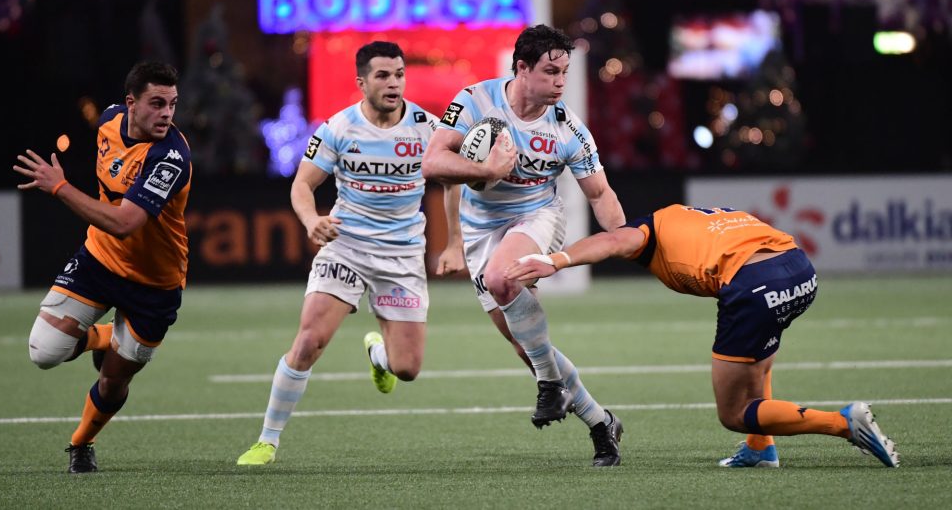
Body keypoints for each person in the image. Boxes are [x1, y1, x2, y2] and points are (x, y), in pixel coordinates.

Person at [507, 204, 900, 468]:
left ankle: (844, 423)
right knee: (757, 356)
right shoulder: (691, 215)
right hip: (800, 270)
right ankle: (760, 447)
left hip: (755, 286)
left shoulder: (649, 231)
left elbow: (612, 241)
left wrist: (556, 259)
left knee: (733, 412)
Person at [236, 41, 458, 466]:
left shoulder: (428, 128)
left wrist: (454, 243)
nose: (393, 83)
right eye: (382, 75)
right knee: (308, 342)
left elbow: (453, 180)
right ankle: (267, 441)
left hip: (402, 257)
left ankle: (378, 355)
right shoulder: (338, 128)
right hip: (347, 247)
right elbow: (302, 185)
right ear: (362, 83)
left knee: (407, 369)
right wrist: (309, 221)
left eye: (398, 74)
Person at [422, 24, 627, 466]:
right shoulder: (476, 101)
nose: (559, 81)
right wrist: (484, 171)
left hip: (537, 218)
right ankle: (600, 423)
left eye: (564, 72)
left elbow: (600, 194)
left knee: (501, 277)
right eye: (550, 71)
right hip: (481, 229)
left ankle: (551, 387)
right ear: (521, 67)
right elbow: (432, 162)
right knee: (525, 345)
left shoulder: (567, 128)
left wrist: (626, 239)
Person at [13, 61, 192, 473]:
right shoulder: (109, 120)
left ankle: (81, 442)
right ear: (131, 103)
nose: (167, 113)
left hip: (155, 283)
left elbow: (125, 224)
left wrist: (59, 188)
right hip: (100, 259)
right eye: (157, 103)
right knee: (43, 351)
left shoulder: (170, 156)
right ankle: (102, 336)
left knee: (114, 380)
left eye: (173, 104)